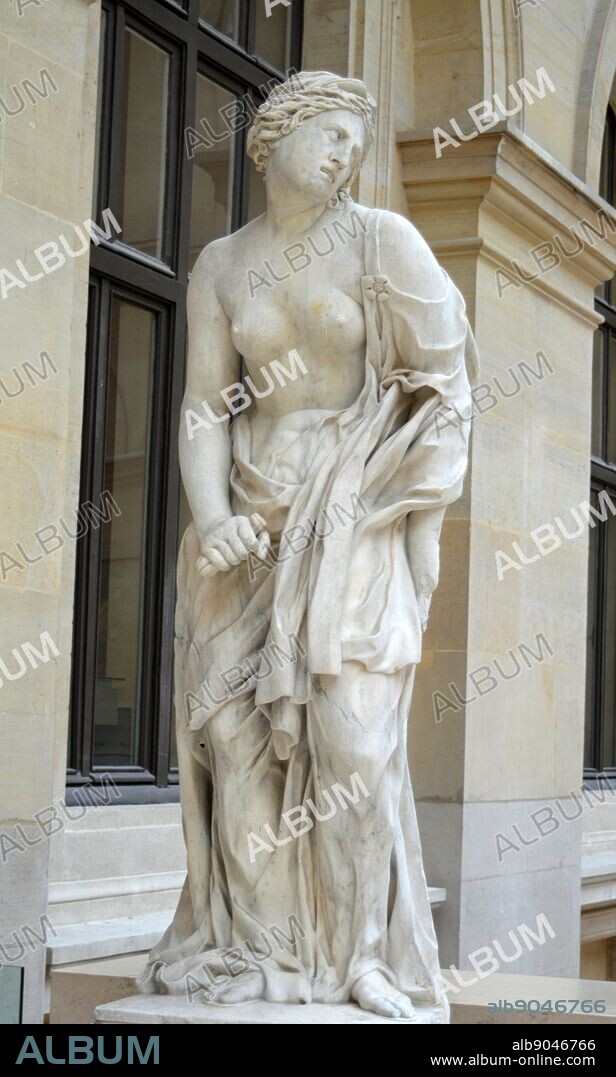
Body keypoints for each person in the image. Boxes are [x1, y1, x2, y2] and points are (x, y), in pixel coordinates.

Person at [136, 70, 478, 1023]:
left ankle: (361, 956)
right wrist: (210, 517)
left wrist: (394, 485)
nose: (344, 155)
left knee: (354, 748)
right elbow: (204, 407)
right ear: (272, 137)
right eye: (328, 134)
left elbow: (448, 378)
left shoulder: (382, 242)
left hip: (351, 520)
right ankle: (267, 953)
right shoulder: (221, 265)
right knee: (232, 743)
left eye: (353, 145)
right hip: (242, 530)